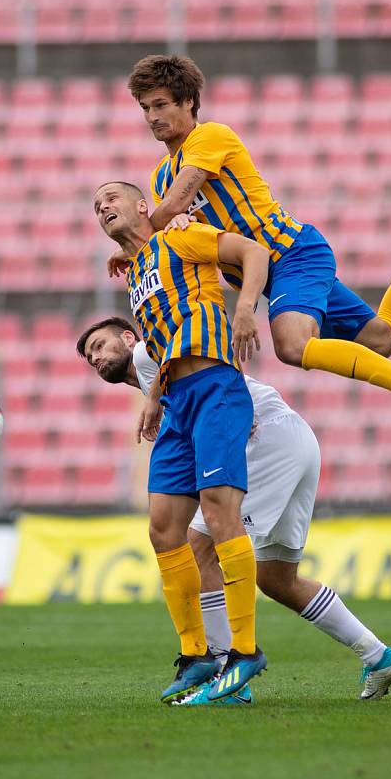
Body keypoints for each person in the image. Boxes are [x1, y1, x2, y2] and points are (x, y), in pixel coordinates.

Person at [108, 54, 391, 438]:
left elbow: (177, 205)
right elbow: (180, 235)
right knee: (381, 337)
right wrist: (150, 241)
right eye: (145, 108)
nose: (152, 116)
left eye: (160, 104)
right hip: (277, 272)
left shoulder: (209, 137)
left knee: (291, 345)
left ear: (189, 102)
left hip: (292, 253)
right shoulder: (161, 176)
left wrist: (137, 239)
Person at [77, 316, 391, 704]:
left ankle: (226, 676)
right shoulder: (160, 378)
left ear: (128, 337)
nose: (95, 358)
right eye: (89, 357)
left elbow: (206, 348)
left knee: (197, 546)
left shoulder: (147, 352)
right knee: (276, 580)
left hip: (263, 439)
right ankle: (379, 656)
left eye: (99, 345)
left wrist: (243, 407)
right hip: (294, 439)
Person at [91, 180, 271, 705]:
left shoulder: (179, 237)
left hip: (215, 386)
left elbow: (252, 251)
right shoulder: (138, 277)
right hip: (176, 401)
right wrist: (153, 394)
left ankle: (243, 652)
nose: (103, 207)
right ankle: (195, 655)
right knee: (163, 528)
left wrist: (244, 309)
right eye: (96, 206)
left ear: (142, 205)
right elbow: (165, 339)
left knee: (218, 516)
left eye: (111, 198)